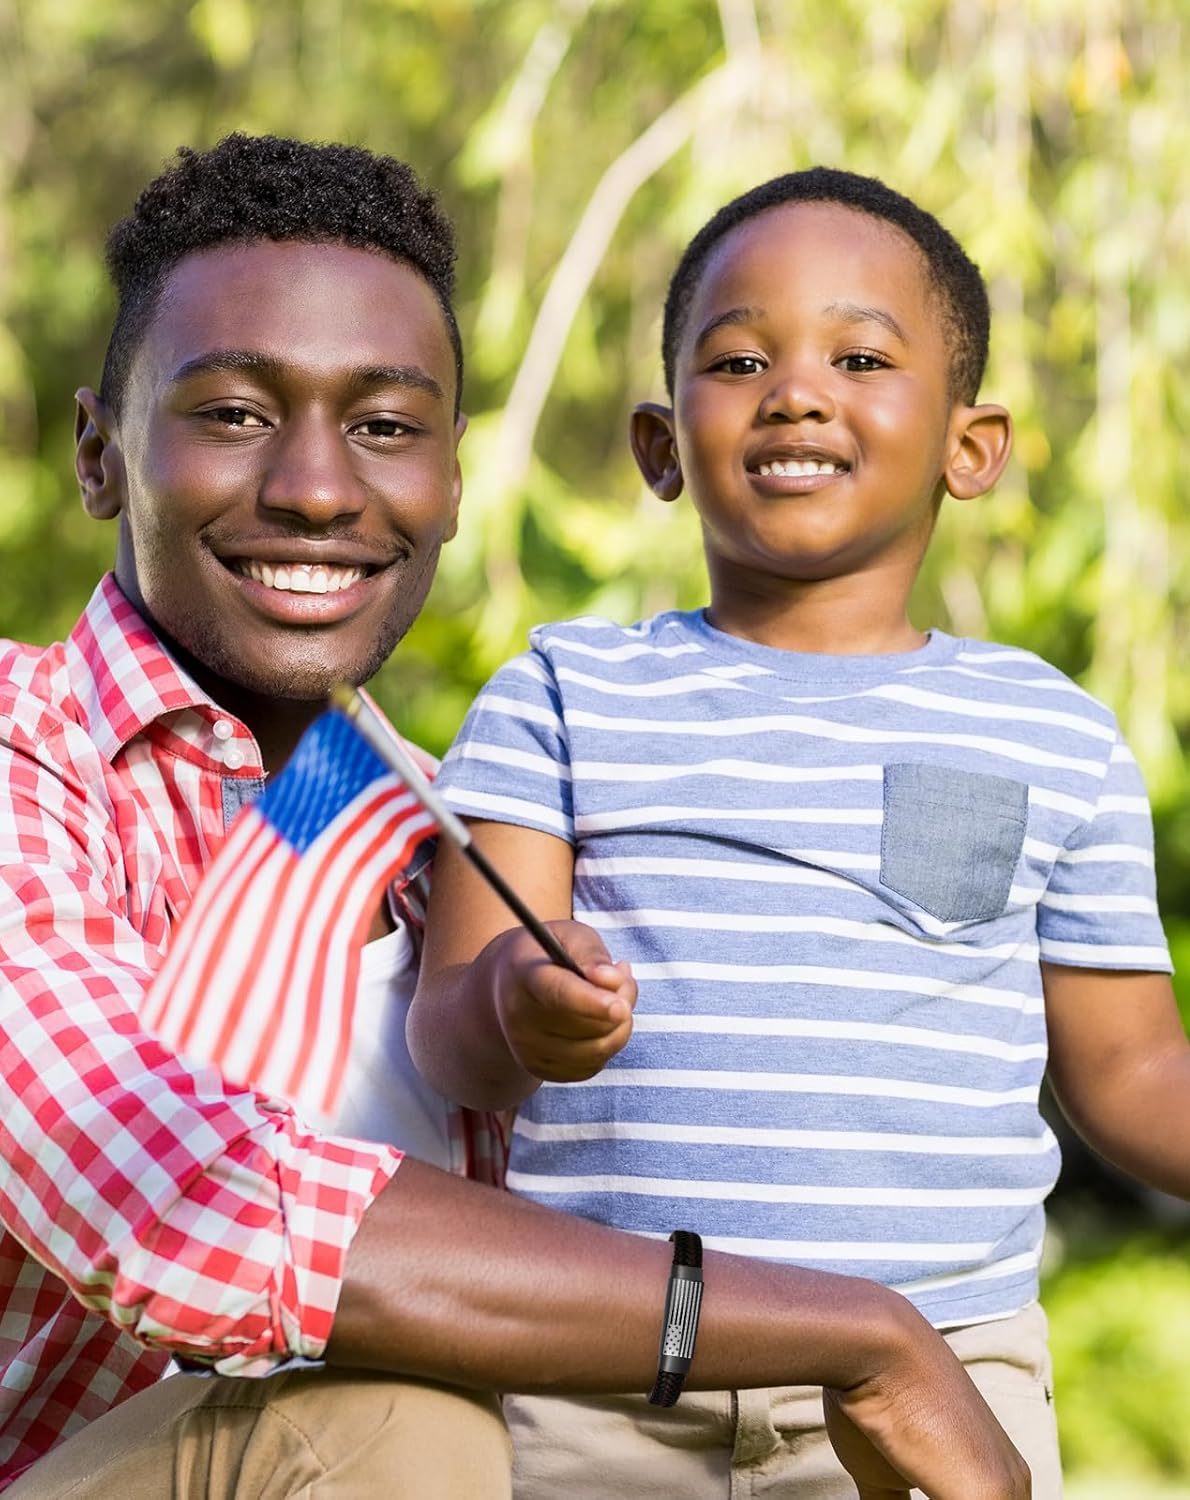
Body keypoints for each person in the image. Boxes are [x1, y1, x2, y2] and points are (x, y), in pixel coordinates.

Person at [412, 167, 1190, 1499]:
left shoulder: (1049, 736)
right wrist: (521, 1007)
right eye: (740, 358)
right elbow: (449, 1038)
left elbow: (1135, 1080)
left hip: (940, 1381)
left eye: (860, 355)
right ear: (659, 442)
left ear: (969, 446)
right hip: (594, 1382)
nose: (796, 390)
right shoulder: (564, 694)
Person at [0, 136, 1032, 1499]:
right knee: (395, 1423)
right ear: (99, 453)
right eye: (236, 414)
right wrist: (858, 1332)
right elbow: (169, 1198)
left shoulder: (440, 840)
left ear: (453, 478)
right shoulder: (31, 752)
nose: (316, 486)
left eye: (384, 427)